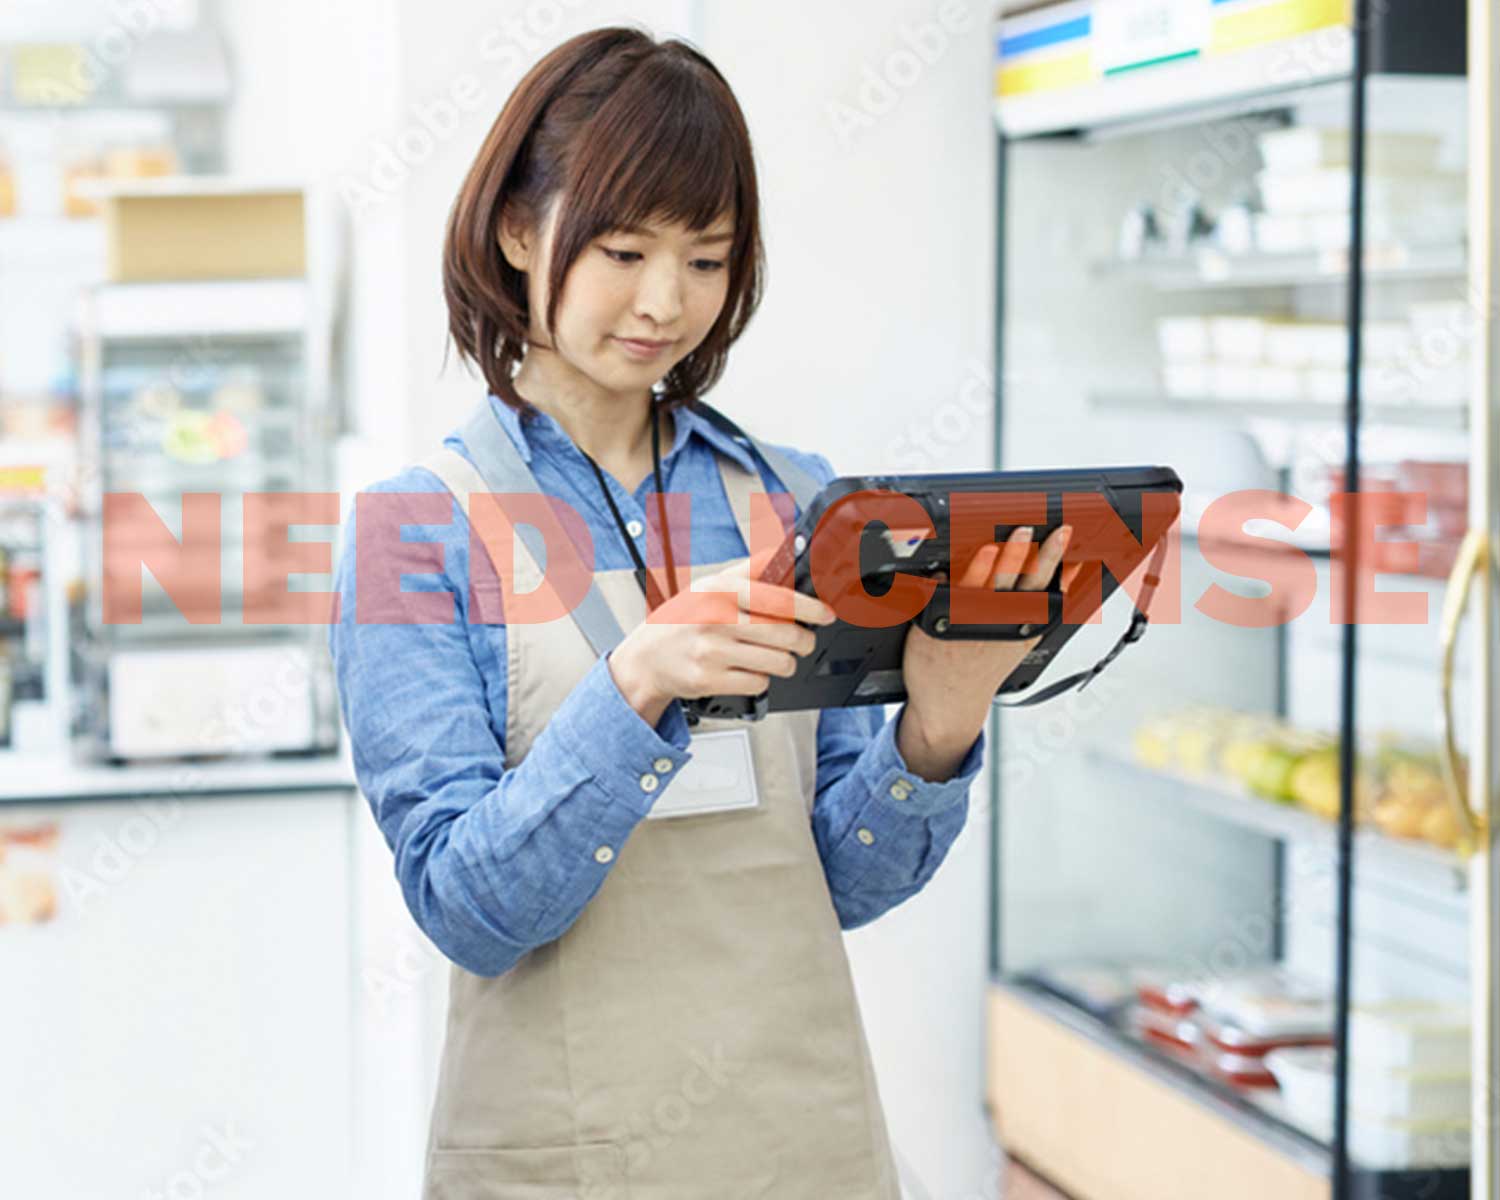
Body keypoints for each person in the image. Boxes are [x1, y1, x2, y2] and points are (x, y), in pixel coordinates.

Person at [329, 26, 1076, 1200]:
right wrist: (634, 686)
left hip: (805, 1147)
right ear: (521, 231)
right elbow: (467, 908)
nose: (665, 303)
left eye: (709, 259)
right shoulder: (410, 533)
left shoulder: (799, 502)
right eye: (622, 250)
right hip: (561, 1159)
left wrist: (939, 727)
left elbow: (840, 881)